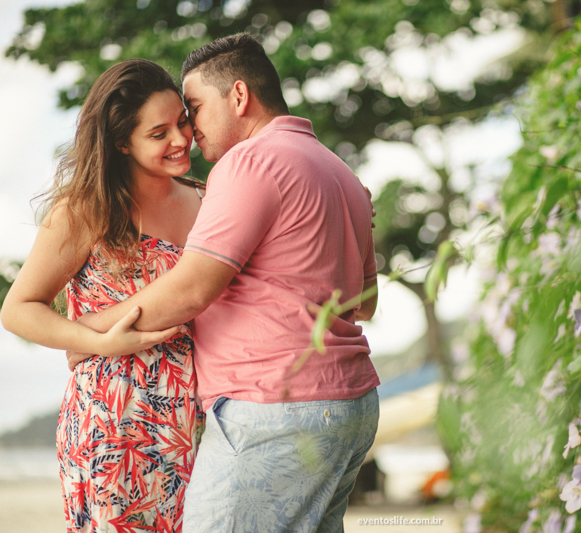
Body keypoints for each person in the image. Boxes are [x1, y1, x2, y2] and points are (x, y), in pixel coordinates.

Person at [73, 33, 381, 532]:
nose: (189, 130)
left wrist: (91, 331)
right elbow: (364, 304)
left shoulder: (249, 161)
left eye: (193, 107)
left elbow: (194, 287)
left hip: (275, 411)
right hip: (350, 406)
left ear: (238, 97)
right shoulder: (339, 169)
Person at [0, 59, 204, 532]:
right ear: (120, 142)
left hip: (197, 419)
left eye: (183, 122)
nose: (180, 140)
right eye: (159, 134)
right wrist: (101, 342)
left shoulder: (209, 200)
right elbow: (17, 309)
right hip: (113, 421)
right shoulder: (86, 210)